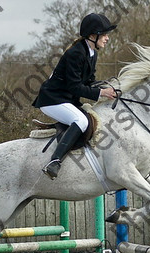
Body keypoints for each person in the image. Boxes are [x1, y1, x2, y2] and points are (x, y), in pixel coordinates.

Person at [33, 13, 117, 179]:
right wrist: (101, 93)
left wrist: (109, 87)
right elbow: (75, 86)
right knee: (81, 121)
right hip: (52, 99)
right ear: (93, 35)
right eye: (105, 34)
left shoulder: (91, 52)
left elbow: (89, 81)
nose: (107, 38)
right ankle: (54, 161)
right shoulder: (76, 53)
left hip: (65, 99)